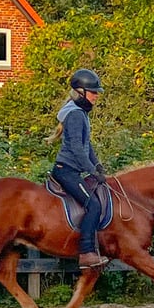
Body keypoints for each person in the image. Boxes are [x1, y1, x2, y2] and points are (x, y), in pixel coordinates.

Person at [48, 68, 110, 269]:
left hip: (72, 169)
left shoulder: (80, 113)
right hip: (66, 170)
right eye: (93, 92)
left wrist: (97, 165)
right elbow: (76, 148)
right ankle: (86, 252)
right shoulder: (75, 115)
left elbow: (86, 145)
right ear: (81, 92)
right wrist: (91, 171)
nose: (96, 96)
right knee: (93, 205)